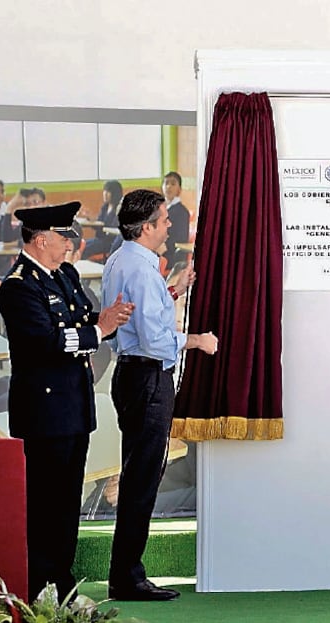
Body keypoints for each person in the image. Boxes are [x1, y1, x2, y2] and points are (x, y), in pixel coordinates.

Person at [0, 201, 133, 601]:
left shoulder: (65, 275)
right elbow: (45, 343)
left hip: (74, 405)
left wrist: (101, 323)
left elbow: (86, 318)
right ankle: (40, 587)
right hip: (43, 412)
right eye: (64, 237)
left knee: (68, 499)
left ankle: (63, 578)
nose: (71, 244)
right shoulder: (18, 287)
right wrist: (96, 331)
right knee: (44, 503)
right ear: (40, 240)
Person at [102, 189, 218, 601]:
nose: (170, 226)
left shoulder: (122, 260)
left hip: (132, 378)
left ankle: (127, 573)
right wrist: (198, 340)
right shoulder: (141, 269)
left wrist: (172, 289)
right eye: (165, 219)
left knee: (139, 475)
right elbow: (153, 340)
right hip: (149, 378)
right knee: (142, 480)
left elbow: (135, 316)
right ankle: (128, 578)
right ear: (147, 226)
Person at [83, 179, 123, 260]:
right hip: (99, 239)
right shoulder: (105, 207)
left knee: (83, 250)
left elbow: (113, 227)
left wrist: (99, 223)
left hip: (108, 242)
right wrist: (91, 219)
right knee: (80, 245)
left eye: (108, 191)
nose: (105, 194)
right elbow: (99, 224)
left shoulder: (118, 208)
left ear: (114, 193)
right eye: (104, 191)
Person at [161, 171, 191, 268]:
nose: (169, 186)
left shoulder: (182, 212)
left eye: (173, 184)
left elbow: (181, 240)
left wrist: (162, 246)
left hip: (171, 255)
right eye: (166, 183)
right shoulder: (159, 208)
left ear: (179, 190)